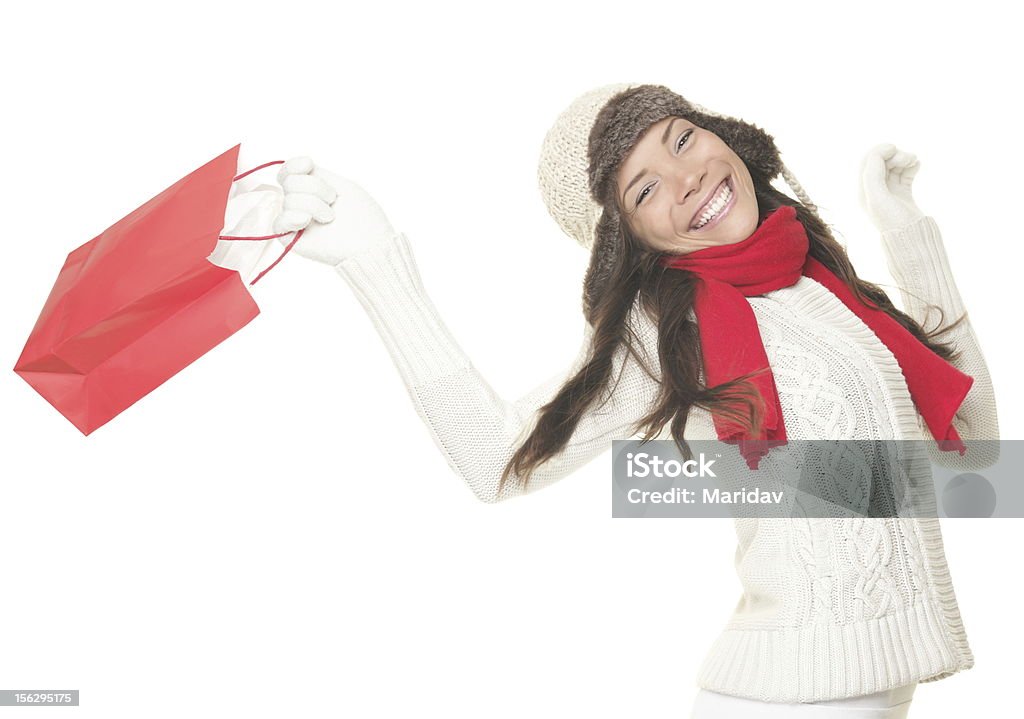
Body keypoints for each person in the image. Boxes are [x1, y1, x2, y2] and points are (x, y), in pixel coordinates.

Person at [212, 83, 999, 717]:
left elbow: (975, 446)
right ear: (633, 237)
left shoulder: (819, 290)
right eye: (646, 186)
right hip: (782, 697)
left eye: (681, 137)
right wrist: (378, 262)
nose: (688, 176)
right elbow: (496, 459)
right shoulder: (670, 332)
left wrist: (908, 234)